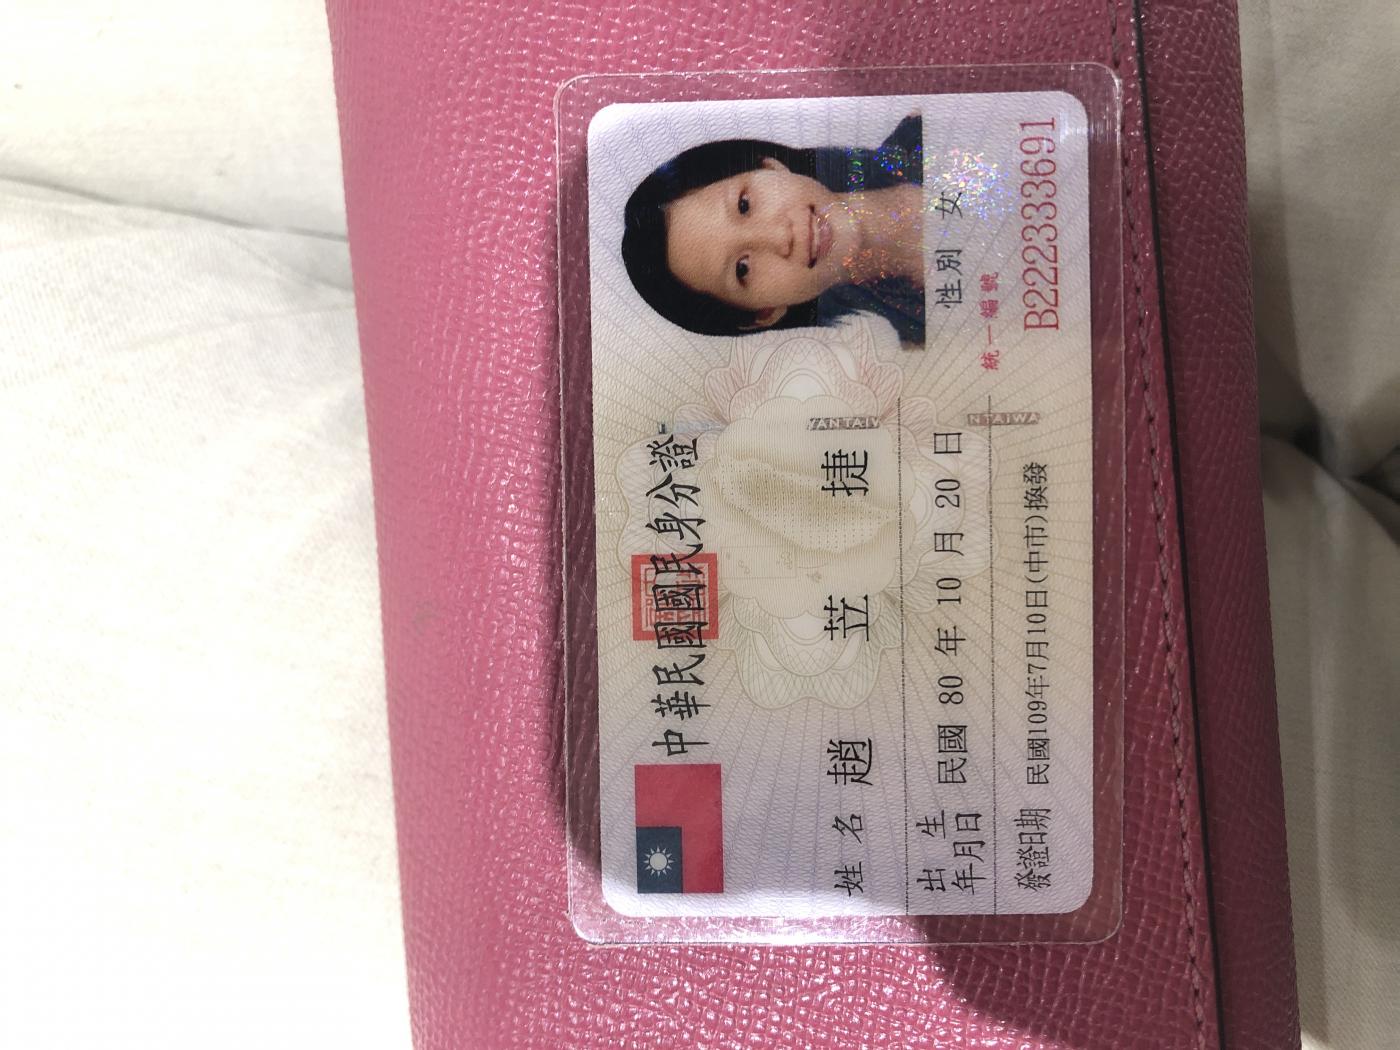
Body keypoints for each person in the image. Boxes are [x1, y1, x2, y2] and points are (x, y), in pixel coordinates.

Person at [621, 114, 926, 344]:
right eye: (742, 268)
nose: (782, 237)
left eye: (744, 205)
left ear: (770, 167)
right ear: (765, 312)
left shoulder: (928, 129)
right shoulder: (925, 345)